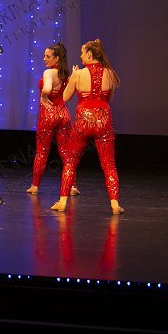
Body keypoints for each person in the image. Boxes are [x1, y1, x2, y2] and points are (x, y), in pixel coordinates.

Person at [51, 39, 123, 215]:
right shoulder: (110, 73)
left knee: (70, 160)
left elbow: (65, 98)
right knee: (109, 164)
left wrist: (73, 79)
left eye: (82, 53)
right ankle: (115, 204)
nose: (80, 56)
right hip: (103, 120)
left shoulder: (78, 74)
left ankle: (62, 202)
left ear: (90, 55)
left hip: (83, 121)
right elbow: (108, 99)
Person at [26, 42, 80, 195]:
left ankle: (35, 186)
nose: (44, 59)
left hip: (48, 115)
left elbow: (48, 88)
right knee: (66, 152)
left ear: (56, 59)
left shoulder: (49, 72)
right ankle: (73, 186)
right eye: (44, 56)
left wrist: (43, 95)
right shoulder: (66, 75)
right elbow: (68, 95)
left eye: (48, 56)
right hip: (63, 114)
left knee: (42, 152)